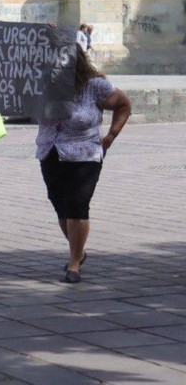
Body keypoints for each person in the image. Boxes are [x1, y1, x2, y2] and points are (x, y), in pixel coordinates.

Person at [36, 46, 131, 283]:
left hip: (85, 153)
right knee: (61, 207)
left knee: (77, 205)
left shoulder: (95, 86)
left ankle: (74, 263)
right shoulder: (40, 84)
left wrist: (110, 136)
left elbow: (124, 105)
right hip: (51, 151)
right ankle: (78, 250)